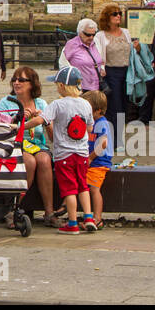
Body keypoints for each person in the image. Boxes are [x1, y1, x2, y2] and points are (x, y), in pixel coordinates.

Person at [25, 75, 96, 234]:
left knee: (70, 189)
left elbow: (40, 121)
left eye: (57, 85)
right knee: (82, 186)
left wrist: (22, 126)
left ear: (63, 86)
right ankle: (89, 218)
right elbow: (90, 129)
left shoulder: (57, 104)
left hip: (65, 155)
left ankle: (72, 223)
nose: (57, 88)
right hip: (82, 154)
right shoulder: (86, 104)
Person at [0, 66, 55, 225]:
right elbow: (1, 129)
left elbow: (51, 137)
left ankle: (49, 213)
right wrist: (18, 118)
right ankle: (13, 209)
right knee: (29, 162)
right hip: (15, 143)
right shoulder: (6, 102)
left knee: (44, 161)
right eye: (14, 80)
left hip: (37, 144)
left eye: (21, 80)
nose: (16, 83)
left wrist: (44, 120)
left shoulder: (41, 103)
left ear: (32, 83)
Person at [93, 4, 138, 143]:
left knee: (125, 105)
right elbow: (98, 55)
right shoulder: (101, 35)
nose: (118, 16)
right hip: (111, 73)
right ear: (107, 18)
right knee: (115, 106)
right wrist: (102, 69)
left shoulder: (126, 32)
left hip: (127, 72)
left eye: (119, 13)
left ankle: (118, 137)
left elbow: (132, 54)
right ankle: (115, 140)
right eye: (114, 14)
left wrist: (137, 48)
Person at [84, 89, 112, 227]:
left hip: (99, 162)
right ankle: (88, 217)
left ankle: (97, 218)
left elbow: (103, 143)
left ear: (98, 111)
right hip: (91, 161)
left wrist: (90, 158)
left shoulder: (101, 123)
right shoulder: (90, 123)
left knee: (94, 189)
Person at [61, 17, 103, 92]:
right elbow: (63, 64)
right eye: (88, 35)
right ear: (80, 32)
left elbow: (101, 59)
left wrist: (102, 68)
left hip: (97, 87)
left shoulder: (96, 42)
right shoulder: (72, 44)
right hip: (80, 88)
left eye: (93, 34)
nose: (91, 37)